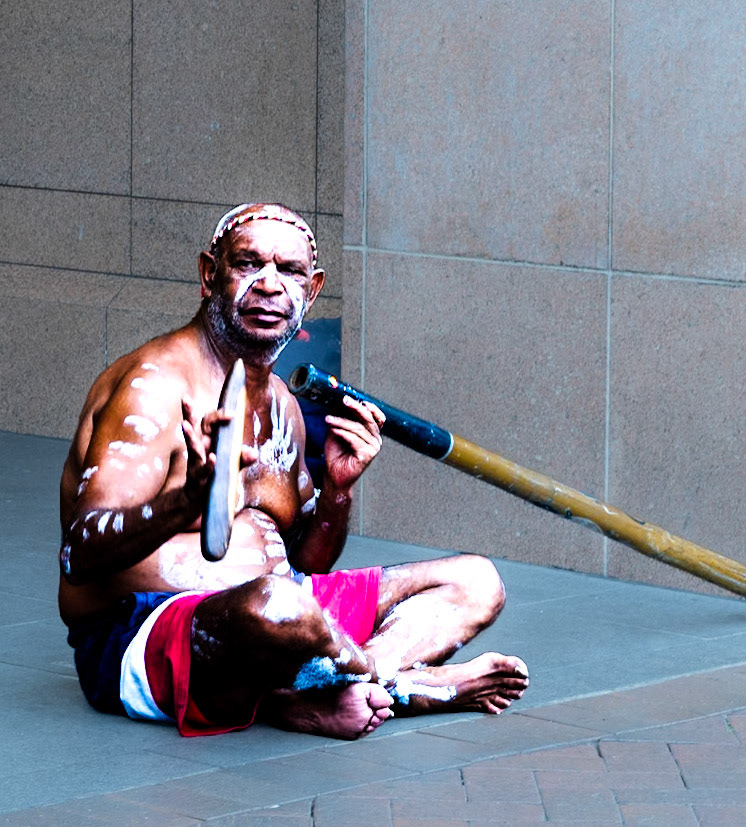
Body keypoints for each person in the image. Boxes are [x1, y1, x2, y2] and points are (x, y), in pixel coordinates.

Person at [58, 203, 529, 740]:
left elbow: (307, 563)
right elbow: (79, 554)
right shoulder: (157, 387)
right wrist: (184, 504)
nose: (269, 286)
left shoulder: (281, 405)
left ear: (313, 289)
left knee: (475, 580)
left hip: (283, 621)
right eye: (248, 264)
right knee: (276, 602)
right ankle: (396, 685)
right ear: (209, 274)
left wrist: (337, 493)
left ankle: (339, 684)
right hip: (146, 637)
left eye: (290, 271)